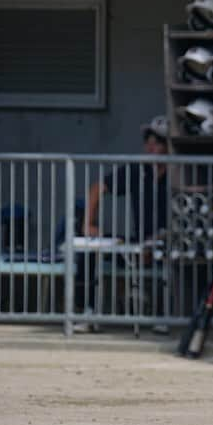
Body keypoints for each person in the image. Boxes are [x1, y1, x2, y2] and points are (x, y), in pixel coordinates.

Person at [74, 115, 170, 333]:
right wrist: (88, 224)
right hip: (137, 243)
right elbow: (97, 188)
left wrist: (155, 241)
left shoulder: (179, 173)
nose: (150, 147)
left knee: (173, 256)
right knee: (90, 248)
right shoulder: (138, 170)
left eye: (157, 142)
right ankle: (88, 312)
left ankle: (165, 317)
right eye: (149, 142)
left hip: (169, 241)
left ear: (168, 147)